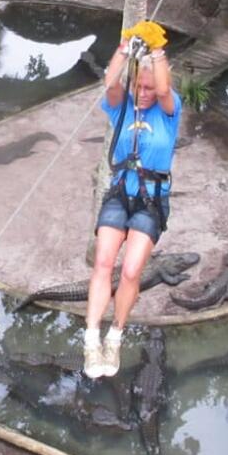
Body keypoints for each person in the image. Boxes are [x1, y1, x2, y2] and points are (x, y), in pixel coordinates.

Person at [83, 20, 181, 378]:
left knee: (131, 269)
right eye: (138, 86)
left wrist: (156, 52)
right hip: (119, 195)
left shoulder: (169, 113)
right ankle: (92, 340)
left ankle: (116, 335)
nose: (143, 93)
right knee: (104, 262)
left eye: (148, 88)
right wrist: (124, 47)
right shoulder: (120, 107)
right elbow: (110, 82)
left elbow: (165, 86)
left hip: (151, 200)